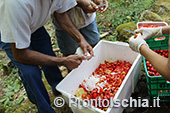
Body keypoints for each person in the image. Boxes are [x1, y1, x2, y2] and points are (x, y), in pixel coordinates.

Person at [0, 0, 101, 112]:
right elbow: (20, 55)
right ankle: (44, 108)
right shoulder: (16, 4)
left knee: (47, 52)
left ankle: (58, 87)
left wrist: (80, 39)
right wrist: (63, 61)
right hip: (11, 29)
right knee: (30, 73)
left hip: (34, 25)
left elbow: (61, 14)